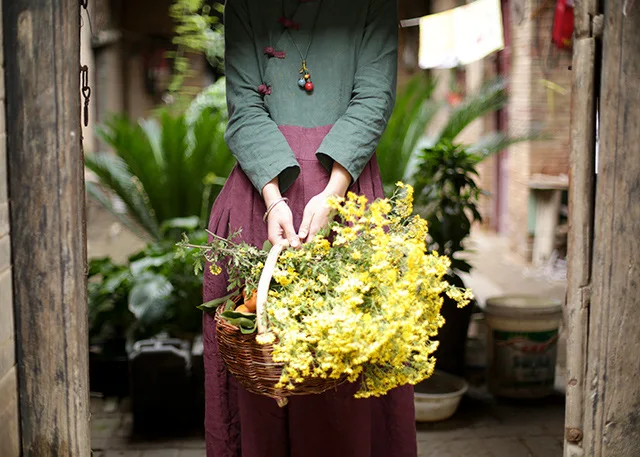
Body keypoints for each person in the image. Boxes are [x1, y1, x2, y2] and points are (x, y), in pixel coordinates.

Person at [202, 0, 417, 456]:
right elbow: (243, 107)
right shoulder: (244, 5)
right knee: (259, 369)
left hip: (346, 194)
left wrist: (333, 193)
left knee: (345, 379)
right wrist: (274, 198)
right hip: (262, 197)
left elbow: (373, 98)